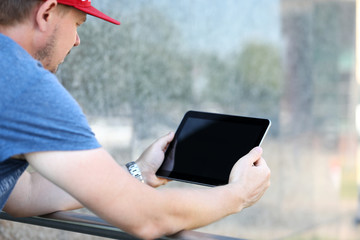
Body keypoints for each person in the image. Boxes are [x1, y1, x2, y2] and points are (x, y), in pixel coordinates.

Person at [0, 0, 271, 239]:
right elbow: (148, 218)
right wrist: (239, 194)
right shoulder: (26, 86)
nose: (77, 40)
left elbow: (22, 194)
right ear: (47, 12)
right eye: (78, 23)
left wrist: (138, 171)